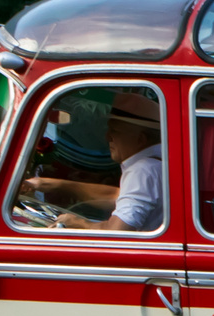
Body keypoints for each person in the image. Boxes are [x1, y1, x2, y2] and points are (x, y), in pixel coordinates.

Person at [19, 92, 164, 231]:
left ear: (141, 139)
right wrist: (48, 184)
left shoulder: (143, 170)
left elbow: (117, 230)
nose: (107, 137)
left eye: (115, 131)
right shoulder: (155, 165)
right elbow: (117, 196)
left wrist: (78, 223)